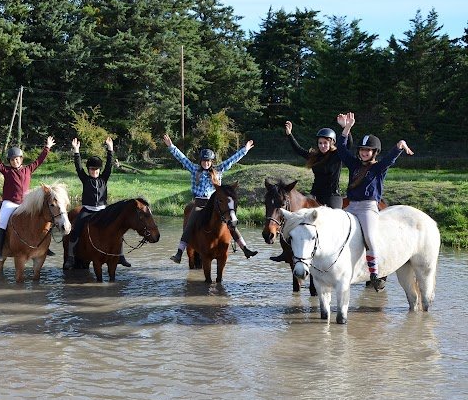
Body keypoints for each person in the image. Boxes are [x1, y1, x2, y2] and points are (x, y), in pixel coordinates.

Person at [336, 112, 413, 291]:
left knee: (370, 238)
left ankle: (374, 274)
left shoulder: (378, 168)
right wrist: (347, 128)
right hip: (351, 206)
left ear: (374, 152)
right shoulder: (354, 164)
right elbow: (341, 149)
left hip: (368, 208)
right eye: (362, 150)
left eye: (368, 150)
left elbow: (389, 159)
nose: (364, 153)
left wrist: (399, 146)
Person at [162, 134, 258, 263]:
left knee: (231, 223)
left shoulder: (218, 170)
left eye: (208, 161)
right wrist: (171, 146)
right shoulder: (194, 169)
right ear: (200, 161)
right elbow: (182, 158)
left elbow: (232, 160)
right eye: (204, 161)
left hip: (214, 204)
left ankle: (245, 248)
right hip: (199, 203)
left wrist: (245, 149)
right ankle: (179, 253)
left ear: (211, 161)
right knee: (190, 225)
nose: (206, 163)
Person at [270, 121, 351, 262]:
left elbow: (348, 145)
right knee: (297, 215)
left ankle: (336, 251)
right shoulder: (314, 156)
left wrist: (346, 128)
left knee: (334, 221)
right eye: (320, 143)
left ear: (332, 143)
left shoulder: (337, 155)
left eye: (325, 143)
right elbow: (298, 150)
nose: (322, 145)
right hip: (315, 194)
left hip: (332, 195)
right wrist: (289, 134)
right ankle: (287, 250)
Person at [0, 136, 55, 261]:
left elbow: (40, 160)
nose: (14, 161)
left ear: (21, 159)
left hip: (25, 204)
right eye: (12, 160)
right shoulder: (6, 170)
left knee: (42, 218)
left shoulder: (28, 169)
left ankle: (44, 246)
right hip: (9, 203)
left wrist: (47, 147)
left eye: (16, 159)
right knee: (2, 223)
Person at [64, 136, 130, 269]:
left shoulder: (104, 179)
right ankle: (70, 257)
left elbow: (109, 165)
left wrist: (110, 149)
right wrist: (76, 151)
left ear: (99, 170)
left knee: (118, 229)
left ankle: (120, 256)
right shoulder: (85, 179)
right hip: (87, 210)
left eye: (96, 169)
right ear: (89, 170)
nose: (94, 172)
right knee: (75, 230)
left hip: (102, 211)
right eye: (92, 169)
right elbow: (78, 167)